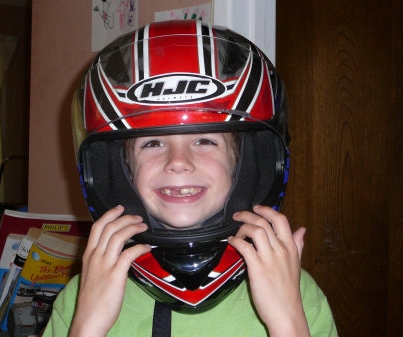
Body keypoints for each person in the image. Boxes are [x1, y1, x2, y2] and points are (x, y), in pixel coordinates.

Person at [43, 20, 337, 336]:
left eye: (205, 141)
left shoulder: (295, 293)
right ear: (121, 170)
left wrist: (286, 319)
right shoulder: (83, 296)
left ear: (246, 166)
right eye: (153, 143)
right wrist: (88, 325)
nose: (178, 162)